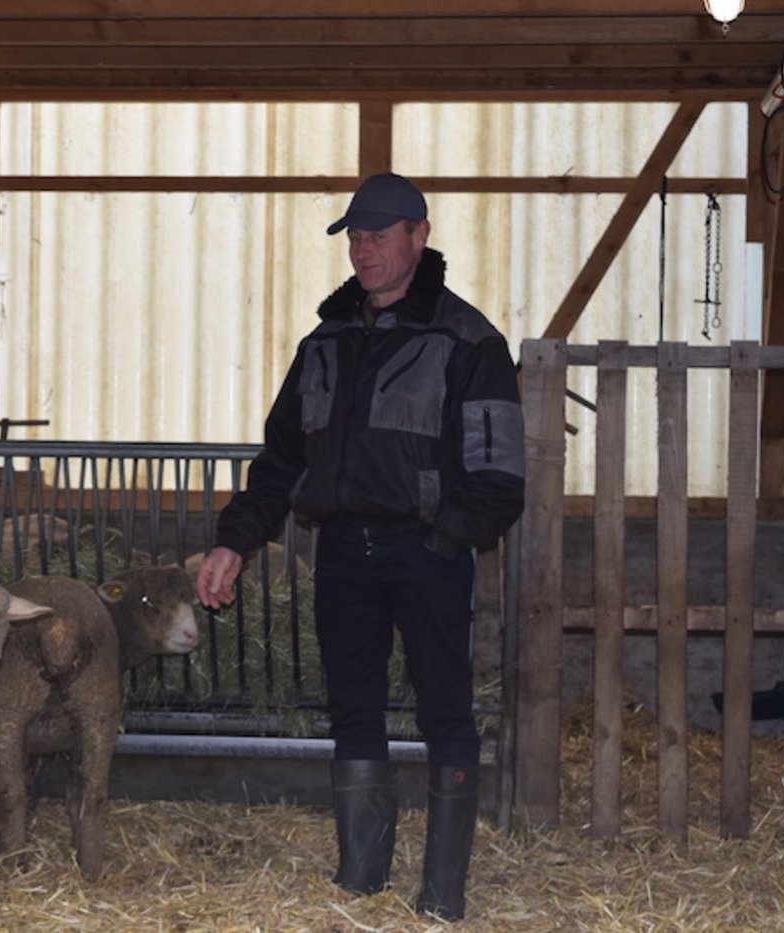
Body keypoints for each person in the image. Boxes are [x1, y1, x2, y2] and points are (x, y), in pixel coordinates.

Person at [194, 172, 525, 921]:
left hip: (427, 552)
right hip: (342, 549)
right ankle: (362, 879)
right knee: (353, 707)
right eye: (356, 237)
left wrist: (446, 539)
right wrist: (234, 542)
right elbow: (282, 460)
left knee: (446, 708)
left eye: (380, 235)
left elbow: (500, 474)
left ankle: (442, 892)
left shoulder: (468, 341)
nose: (365, 251)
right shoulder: (326, 342)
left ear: (420, 234)